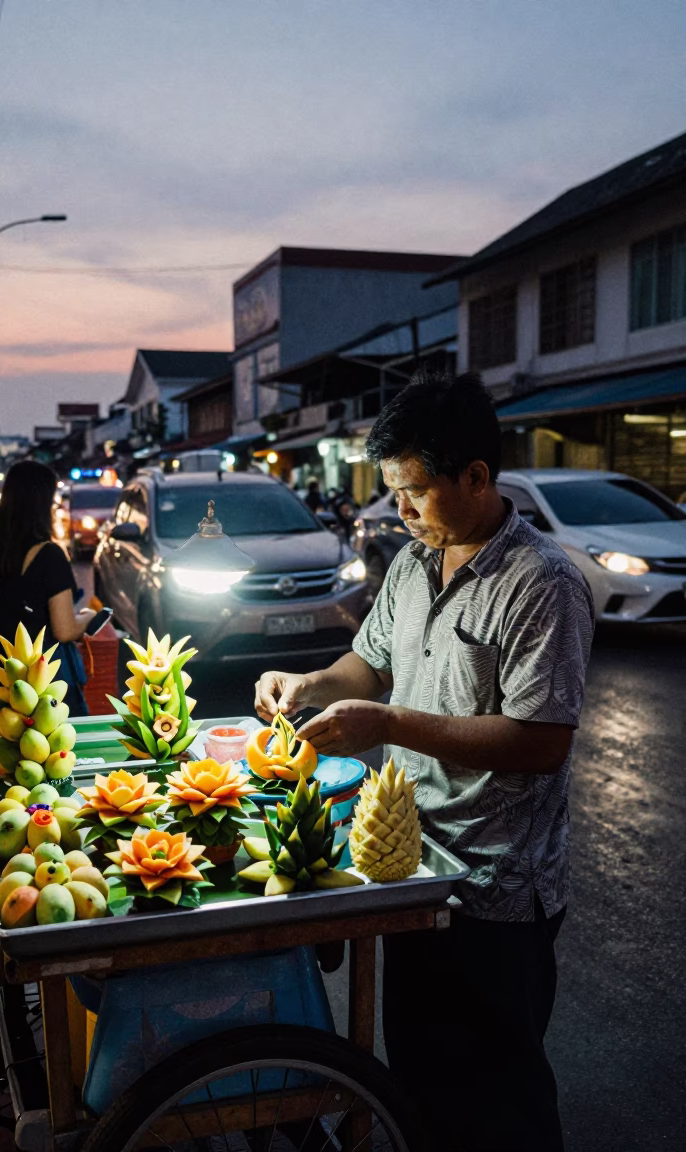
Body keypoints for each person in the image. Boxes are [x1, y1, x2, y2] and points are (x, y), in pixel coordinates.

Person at [254, 370, 594, 1152]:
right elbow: (368, 664)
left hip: (498, 885)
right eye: (392, 492)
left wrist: (392, 723)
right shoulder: (410, 564)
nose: (399, 511)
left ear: (476, 477)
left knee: (502, 1095)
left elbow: (540, 741)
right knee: (418, 1077)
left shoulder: (542, 584)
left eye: (414, 491)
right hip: (409, 863)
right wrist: (307, 683)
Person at [0, 460, 95, 727]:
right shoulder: (49, 555)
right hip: (35, 688)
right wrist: (88, 618)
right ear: (42, 504)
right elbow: (64, 630)